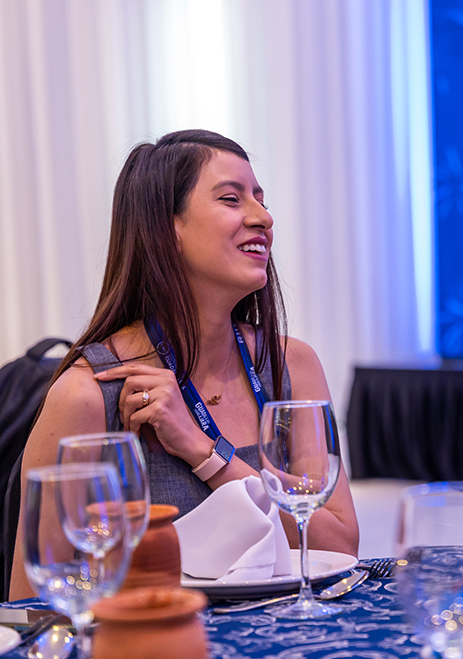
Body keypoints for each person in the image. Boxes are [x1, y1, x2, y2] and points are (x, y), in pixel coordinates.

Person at [10, 130, 359, 600]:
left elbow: (339, 546)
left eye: (260, 199)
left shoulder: (291, 364)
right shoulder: (88, 395)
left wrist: (204, 452)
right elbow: (32, 602)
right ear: (166, 228)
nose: (263, 217)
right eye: (231, 199)